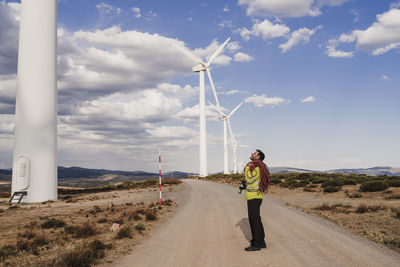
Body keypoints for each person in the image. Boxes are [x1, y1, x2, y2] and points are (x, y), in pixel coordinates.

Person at [243, 149, 270, 251]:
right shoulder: (256, 166)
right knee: (257, 219)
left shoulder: (258, 167)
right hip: (254, 196)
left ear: (258, 157)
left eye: (254, 153)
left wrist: (246, 168)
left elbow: (250, 179)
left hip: (254, 197)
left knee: (253, 220)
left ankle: (256, 244)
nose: (252, 154)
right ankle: (261, 241)